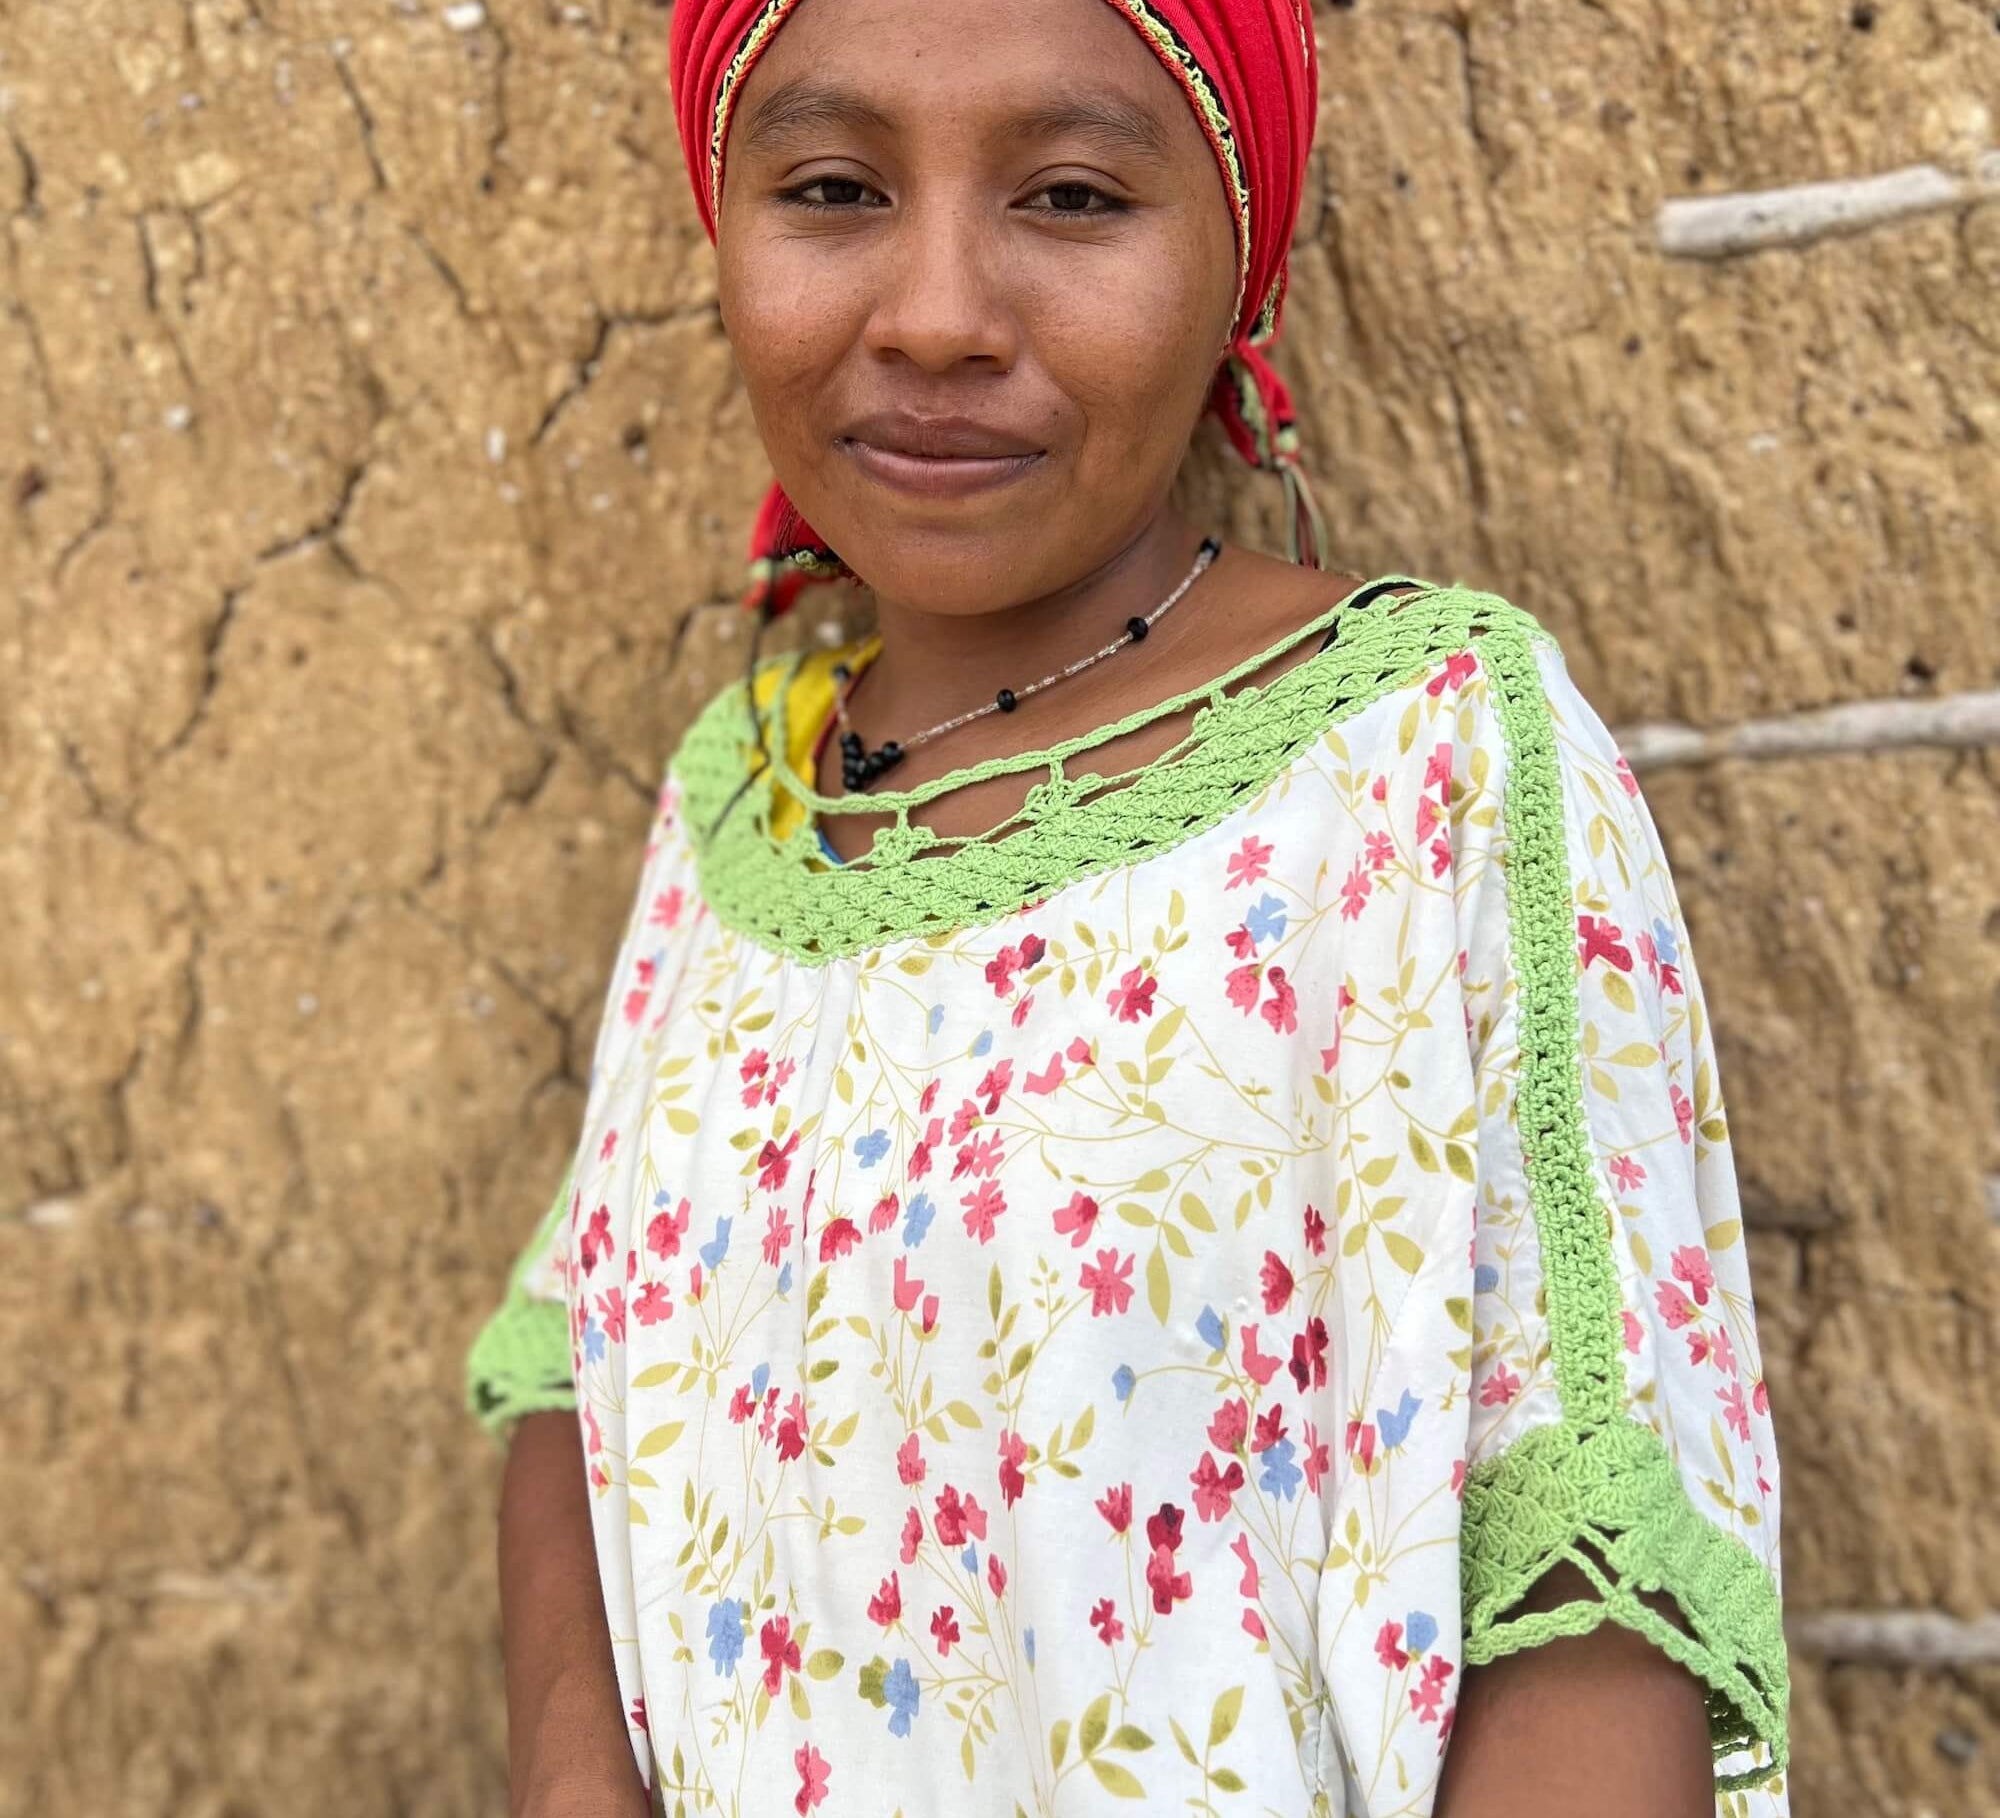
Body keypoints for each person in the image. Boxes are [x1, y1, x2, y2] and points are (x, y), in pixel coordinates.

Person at [465, 1, 1791, 1813]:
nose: (936, 313)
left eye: (1075, 197)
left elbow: (1585, 1573)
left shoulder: (1417, 763)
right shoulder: (742, 803)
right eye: (834, 188)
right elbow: (574, 1358)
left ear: (1239, 257)